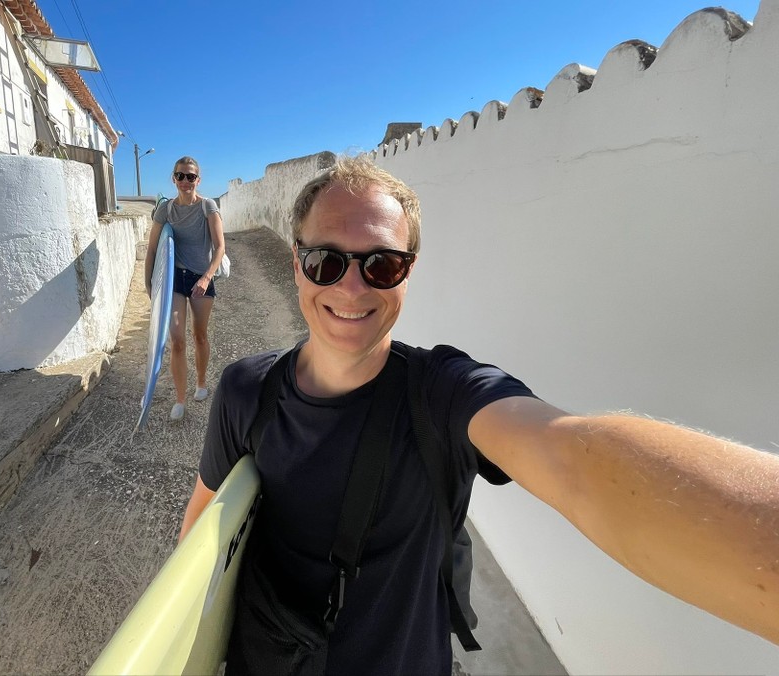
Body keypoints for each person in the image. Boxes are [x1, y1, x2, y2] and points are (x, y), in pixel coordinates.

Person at [179, 157, 779, 674]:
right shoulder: (244, 391)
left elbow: (574, 461)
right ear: (296, 264)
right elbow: (201, 540)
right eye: (327, 261)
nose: (354, 288)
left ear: (409, 272)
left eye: (382, 265)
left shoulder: (444, 393)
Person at [145, 156, 226, 421]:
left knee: (200, 335)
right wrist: (150, 285)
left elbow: (220, 247)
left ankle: (201, 382)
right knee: (177, 340)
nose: (185, 181)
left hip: (202, 276)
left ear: (197, 180)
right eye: (180, 176)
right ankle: (180, 399)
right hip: (175, 278)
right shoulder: (165, 210)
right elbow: (154, 248)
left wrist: (206, 278)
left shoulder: (208, 206)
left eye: (190, 176)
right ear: (173, 178)